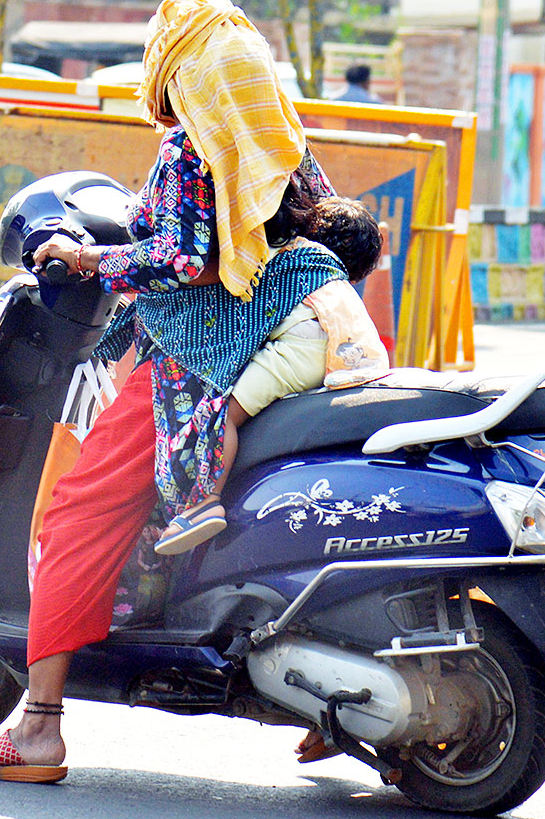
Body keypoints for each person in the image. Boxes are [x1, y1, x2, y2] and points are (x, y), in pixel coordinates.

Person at [0, 0, 357, 783]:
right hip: (310, 332)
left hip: (197, 354)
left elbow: (181, 259)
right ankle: (324, 703)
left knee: (80, 513)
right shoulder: (282, 146)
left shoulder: (189, 150)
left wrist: (88, 258)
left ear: (176, 70)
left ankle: (36, 728)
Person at [154, 195, 389, 555]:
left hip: (306, 346)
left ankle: (206, 501)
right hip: (356, 353)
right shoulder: (338, 281)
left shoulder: (296, 256)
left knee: (222, 414)